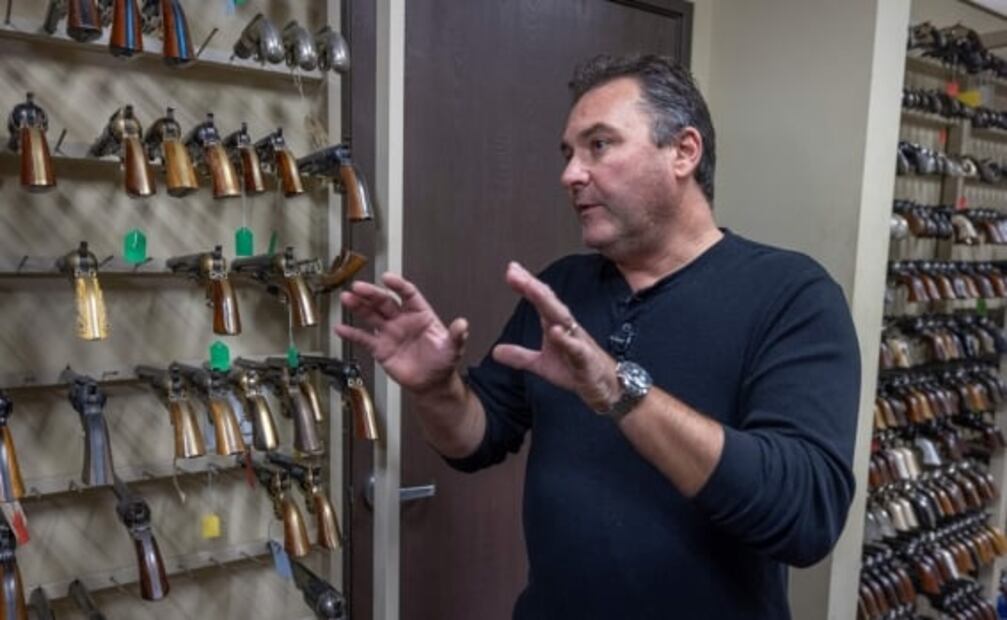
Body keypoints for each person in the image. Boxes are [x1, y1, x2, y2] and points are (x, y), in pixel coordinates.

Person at [336, 54, 860, 619]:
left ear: (683, 152)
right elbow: (476, 440)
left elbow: (805, 516)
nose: (571, 175)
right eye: (568, 153)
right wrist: (436, 390)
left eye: (600, 145)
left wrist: (619, 391)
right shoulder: (563, 287)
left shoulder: (792, 295)